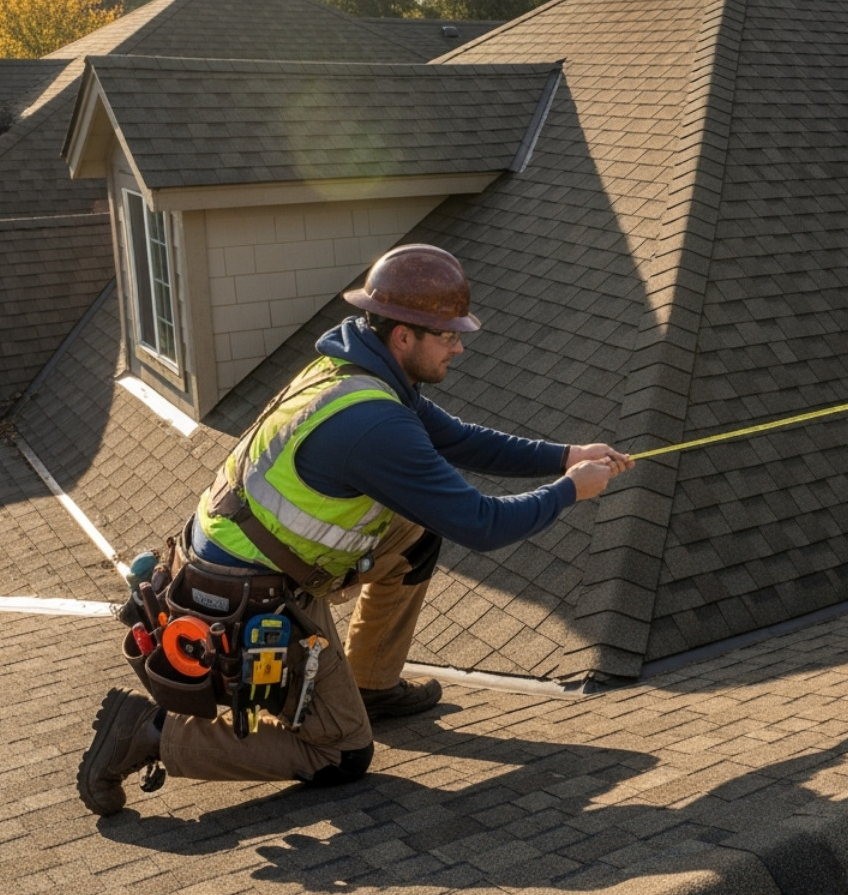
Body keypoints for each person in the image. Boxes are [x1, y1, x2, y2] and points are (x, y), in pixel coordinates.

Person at [78, 244, 633, 816]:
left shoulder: (355, 368)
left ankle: (371, 683)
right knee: (340, 753)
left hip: (245, 558)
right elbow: (481, 524)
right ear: (404, 337)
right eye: (448, 336)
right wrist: (572, 490)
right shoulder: (372, 423)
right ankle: (148, 732)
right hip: (254, 596)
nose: (460, 346)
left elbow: (459, 440)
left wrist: (566, 455)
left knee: (415, 530)